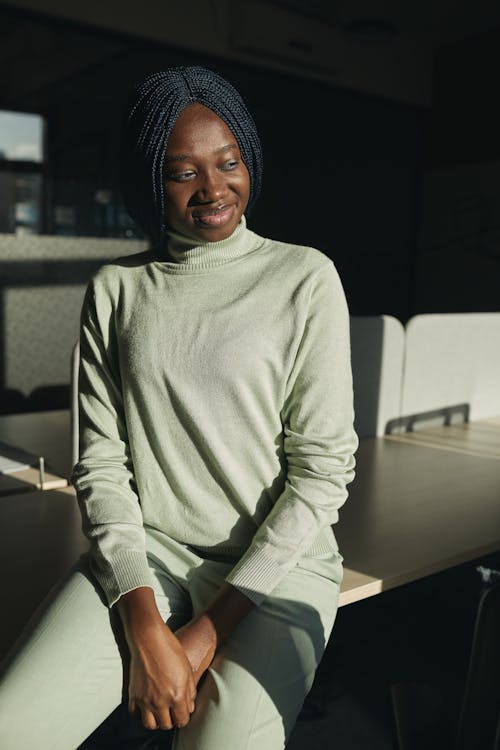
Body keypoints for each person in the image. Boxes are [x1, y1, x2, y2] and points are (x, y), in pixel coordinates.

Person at [0, 65, 358, 749]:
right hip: (151, 554)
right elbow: (100, 464)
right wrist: (142, 620)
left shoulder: (303, 277)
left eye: (229, 163)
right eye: (182, 172)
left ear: (249, 158)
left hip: (278, 565)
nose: (213, 190)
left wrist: (200, 640)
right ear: (149, 182)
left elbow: (321, 472)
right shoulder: (117, 289)